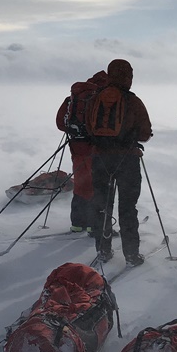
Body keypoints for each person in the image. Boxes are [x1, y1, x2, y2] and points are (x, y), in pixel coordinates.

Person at [91, 58, 152, 266]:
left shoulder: (95, 98)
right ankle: (131, 255)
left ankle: (103, 250)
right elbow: (145, 133)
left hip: (100, 158)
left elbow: (88, 128)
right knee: (127, 208)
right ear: (128, 76)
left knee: (102, 206)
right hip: (127, 160)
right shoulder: (133, 101)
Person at [55, 70, 107, 233]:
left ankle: (78, 223)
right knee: (97, 184)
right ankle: (95, 225)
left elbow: (60, 122)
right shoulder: (101, 98)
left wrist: (74, 132)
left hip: (76, 146)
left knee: (81, 182)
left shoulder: (74, 97)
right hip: (96, 147)